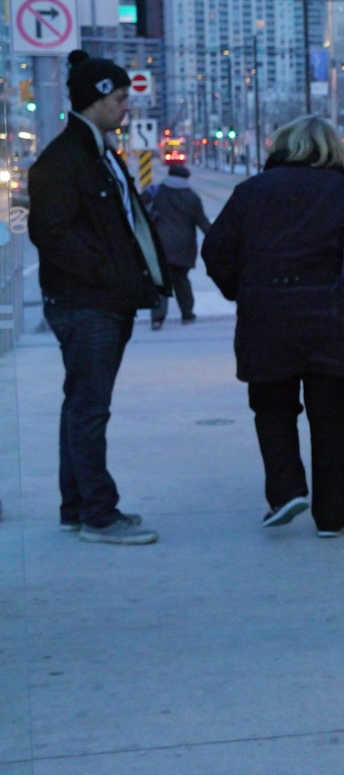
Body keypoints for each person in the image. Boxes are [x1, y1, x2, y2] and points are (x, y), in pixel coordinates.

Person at [202, 116, 344, 536]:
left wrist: (243, 291)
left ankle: (286, 492)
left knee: (272, 408)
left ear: (282, 147)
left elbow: (216, 251)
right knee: (333, 418)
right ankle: (332, 516)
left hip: (266, 321)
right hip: (334, 321)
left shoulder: (251, 193)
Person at [28, 51, 167, 545]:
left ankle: (77, 507)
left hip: (100, 301)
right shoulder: (66, 161)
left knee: (80, 406)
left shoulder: (98, 153)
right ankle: (98, 517)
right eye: (120, 97)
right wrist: (113, 279)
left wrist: (151, 282)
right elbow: (54, 234)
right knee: (89, 408)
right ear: (97, 99)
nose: (126, 106)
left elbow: (129, 227)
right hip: (87, 304)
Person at [145, 163, 211, 328]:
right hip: (184, 247)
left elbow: (138, 209)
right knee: (182, 281)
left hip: (160, 245)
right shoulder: (192, 197)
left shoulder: (155, 192)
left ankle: (157, 319)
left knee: (161, 282)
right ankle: (187, 315)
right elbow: (202, 223)